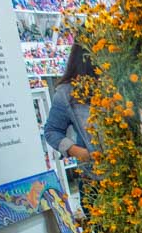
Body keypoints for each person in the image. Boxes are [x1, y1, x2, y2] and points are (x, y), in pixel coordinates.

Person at [42, 42, 98, 183]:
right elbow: (52, 131)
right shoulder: (68, 93)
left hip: (133, 175)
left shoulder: (120, 85)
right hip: (95, 178)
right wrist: (78, 152)